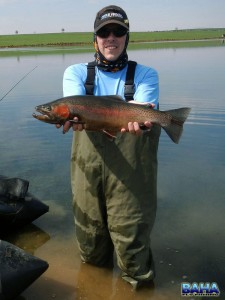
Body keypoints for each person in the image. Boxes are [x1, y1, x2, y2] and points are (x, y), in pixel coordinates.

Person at [60, 5, 161, 289]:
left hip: (132, 174)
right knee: (90, 244)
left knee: (132, 249)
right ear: (95, 39)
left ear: (127, 37)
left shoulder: (146, 75)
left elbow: (143, 108)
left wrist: (137, 118)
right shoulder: (76, 72)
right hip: (86, 170)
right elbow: (74, 104)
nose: (111, 38)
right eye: (104, 32)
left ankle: (139, 292)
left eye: (119, 31)